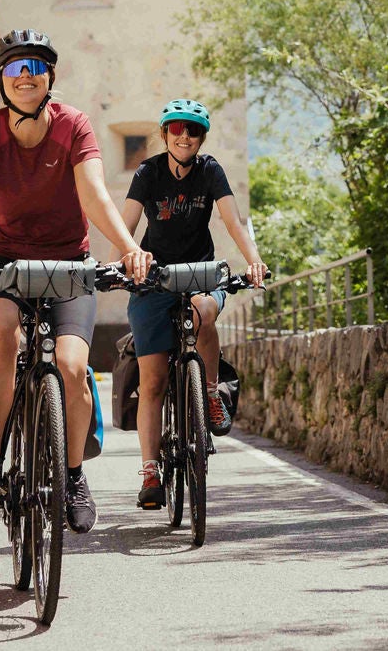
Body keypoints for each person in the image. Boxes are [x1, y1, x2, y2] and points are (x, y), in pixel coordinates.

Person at [0, 30, 152, 532]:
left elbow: (95, 194)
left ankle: (73, 476)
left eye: (35, 66)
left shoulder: (74, 125)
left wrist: (128, 249)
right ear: (1, 81)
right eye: (14, 68)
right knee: (2, 334)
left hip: (67, 264)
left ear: (50, 77)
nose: (25, 75)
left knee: (74, 366)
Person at [120, 99, 267, 509]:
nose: (185, 136)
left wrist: (253, 262)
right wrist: (130, 256)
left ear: (201, 138)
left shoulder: (210, 170)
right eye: (177, 128)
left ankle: (211, 390)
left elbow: (233, 220)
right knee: (151, 382)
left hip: (199, 272)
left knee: (204, 312)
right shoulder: (148, 173)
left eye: (194, 130)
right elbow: (126, 226)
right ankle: (150, 470)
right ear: (165, 133)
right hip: (154, 278)